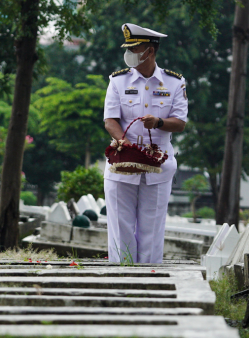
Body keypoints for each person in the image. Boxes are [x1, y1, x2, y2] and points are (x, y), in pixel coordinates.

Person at [103, 23, 188, 264]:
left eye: (134, 48)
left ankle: (150, 280)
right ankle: (121, 280)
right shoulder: (118, 81)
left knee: (152, 228)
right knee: (121, 226)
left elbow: (180, 123)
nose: (128, 53)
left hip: (158, 164)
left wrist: (159, 122)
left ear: (149, 51)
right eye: (127, 48)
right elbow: (110, 120)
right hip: (123, 162)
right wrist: (125, 145)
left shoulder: (174, 83)